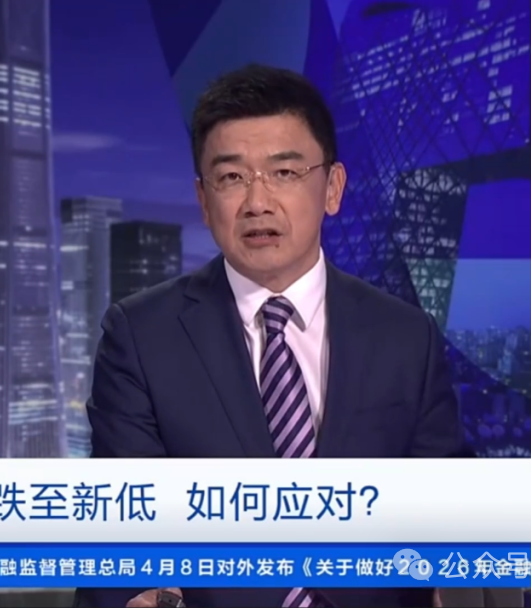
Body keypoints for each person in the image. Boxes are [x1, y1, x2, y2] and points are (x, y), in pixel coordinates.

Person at [75, 64, 470, 608]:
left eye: (284, 172)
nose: (257, 202)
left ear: (332, 188)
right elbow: (123, 526)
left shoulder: (405, 336)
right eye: (232, 178)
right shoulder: (141, 336)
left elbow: (449, 513)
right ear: (203, 199)